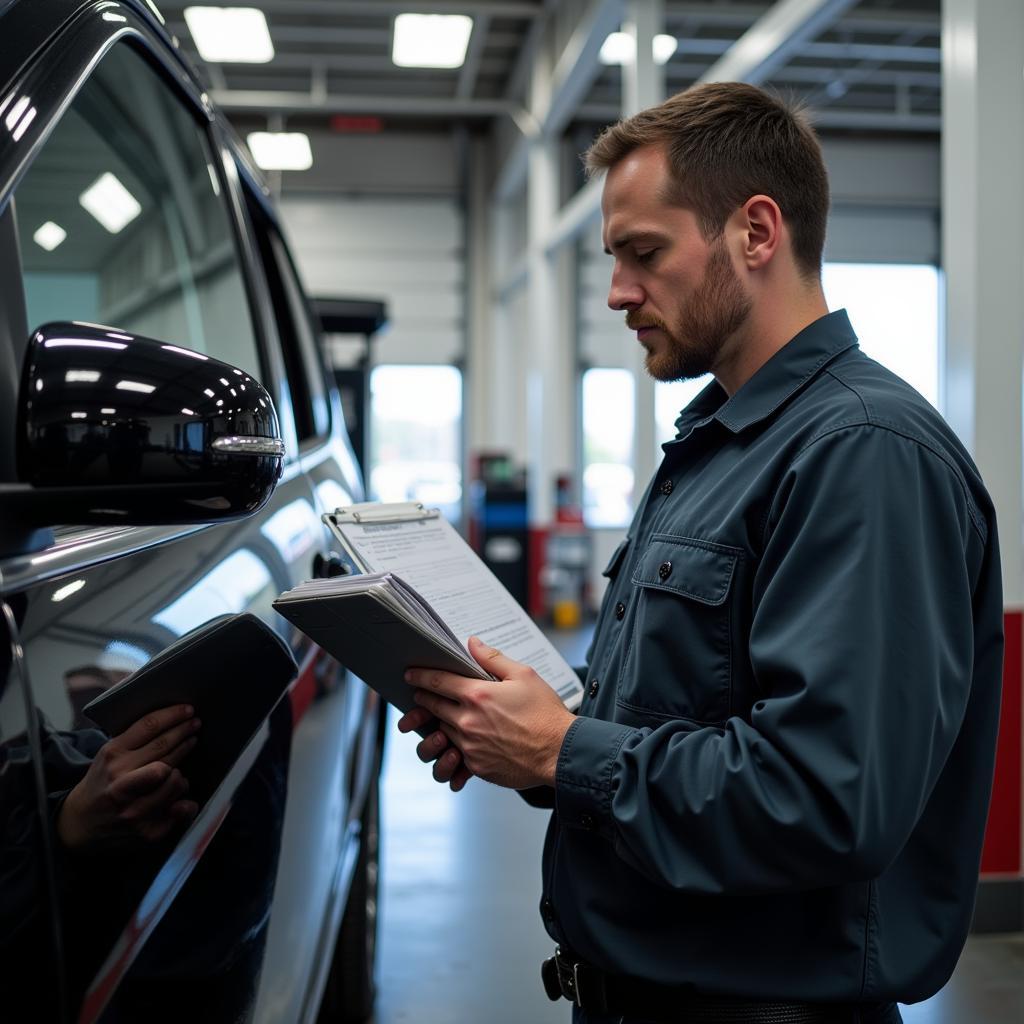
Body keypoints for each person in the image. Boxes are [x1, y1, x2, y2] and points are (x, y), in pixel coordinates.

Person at [398, 81, 1004, 1024]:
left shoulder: (861, 454)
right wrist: (521, 736)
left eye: (645, 253)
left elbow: (826, 798)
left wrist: (567, 755)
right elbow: (677, 710)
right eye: (614, 257)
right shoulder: (722, 443)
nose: (617, 292)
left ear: (756, 233)